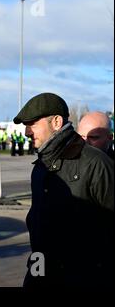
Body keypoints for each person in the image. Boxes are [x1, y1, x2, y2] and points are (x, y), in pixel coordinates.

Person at [14, 92, 114, 287]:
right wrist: (34, 277)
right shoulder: (40, 167)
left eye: (32, 124)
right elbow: (38, 229)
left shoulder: (96, 164)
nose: (27, 132)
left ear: (57, 122)